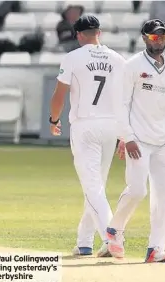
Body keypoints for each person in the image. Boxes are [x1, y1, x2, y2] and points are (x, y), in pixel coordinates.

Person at [49, 15, 126, 257]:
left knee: (92, 186)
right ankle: (85, 242)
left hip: (85, 125)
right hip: (112, 126)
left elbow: (59, 95)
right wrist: (125, 133)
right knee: (96, 186)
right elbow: (127, 99)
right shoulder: (118, 59)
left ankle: (111, 235)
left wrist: (53, 120)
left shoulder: (73, 57)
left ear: (79, 35)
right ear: (99, 33)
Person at [107, 19, 165, 263]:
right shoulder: (132, 66)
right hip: (138, 140)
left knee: (164, 196)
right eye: (154, 37)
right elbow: (121, 104)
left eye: (163, 36)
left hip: (162, 142)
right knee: (138, 190)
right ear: (144, 37)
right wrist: (126, 137)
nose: (159, 41)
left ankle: (155, 249)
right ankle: (115, 228)